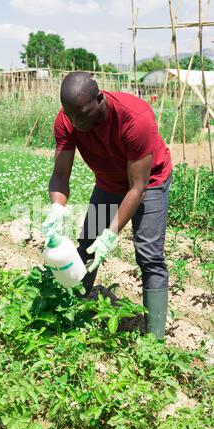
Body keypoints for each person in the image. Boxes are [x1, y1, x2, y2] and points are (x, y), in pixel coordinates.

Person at [42, 72, 172, 339]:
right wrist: (57, 206)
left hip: (150, 182)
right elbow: (60, 174)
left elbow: (137, 188)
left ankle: (155, 341)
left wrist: (111, 233)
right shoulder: (67, 121)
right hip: (108, 183)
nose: (76, 123)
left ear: (99, 100)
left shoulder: (135, 118)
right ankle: (72, 311)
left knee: (149, 256)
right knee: (87, 244)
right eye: (70, 116)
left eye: (82, 115)